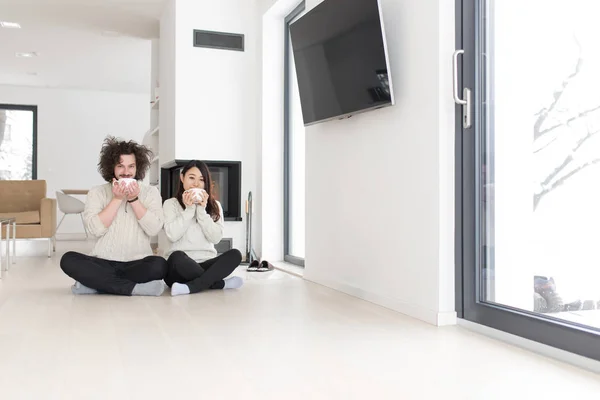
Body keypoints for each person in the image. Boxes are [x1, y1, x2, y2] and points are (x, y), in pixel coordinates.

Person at [60, 136, 167, 296]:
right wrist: (116, 199)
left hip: (137, 263)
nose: (126, 172)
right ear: (112, 168)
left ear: (138, 167)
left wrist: (134, 200)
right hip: (103, 261)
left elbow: (154, 229)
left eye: (131, 166)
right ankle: (133, 288)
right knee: (68, 260)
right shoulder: (97, 192)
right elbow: (94, 230)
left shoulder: (151, 192)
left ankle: (96, 285)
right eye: (120, 166)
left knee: (159, 265)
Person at [163, 160, 243, 296]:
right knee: (176, 257)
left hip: (206, 262)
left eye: (201, 180)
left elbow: (216, 238)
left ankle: (191, 287)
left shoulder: (215, 206)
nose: (196, 184)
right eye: (191, 178)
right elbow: (172, 235)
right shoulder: (171, 204)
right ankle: (219, 283)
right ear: (182, 178)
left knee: (235, 254)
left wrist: (201, 211)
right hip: (179, 268)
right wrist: (189, 210)